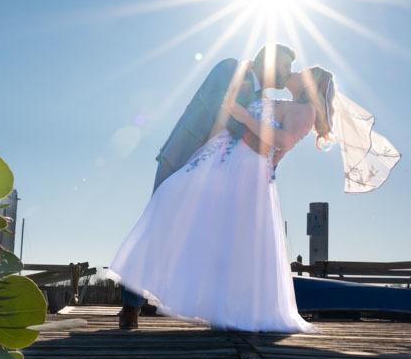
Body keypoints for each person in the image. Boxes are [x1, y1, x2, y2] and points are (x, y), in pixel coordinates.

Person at [110, 63, 399, 333]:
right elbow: (278, 151)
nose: (294, 72)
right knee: (183, 212)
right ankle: (155, 296)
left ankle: (225, 307)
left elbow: (284, 141)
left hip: (240, 169)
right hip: (226, 164)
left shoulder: (306, 110)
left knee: (209, 227)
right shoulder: (286, 103)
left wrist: (245, 119)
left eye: (301, 71)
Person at [115, 44, 295, 329]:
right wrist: (251, 128)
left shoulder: (265, 99)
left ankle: (210, 305)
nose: (289, 73)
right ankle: (131, 307)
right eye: (285, 65)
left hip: (215, 174)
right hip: (185, 156)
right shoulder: (231, 68)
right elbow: (217, 105)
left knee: (210, 234)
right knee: (159, 225)